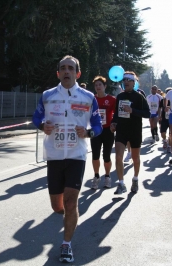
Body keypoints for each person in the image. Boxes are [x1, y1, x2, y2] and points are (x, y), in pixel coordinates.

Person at [32, 55, 102, 263]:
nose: (66, 71)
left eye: (70, 68)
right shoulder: (47, 95)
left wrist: (88, 133)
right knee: (57, 206)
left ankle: (66, 244)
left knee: (71, 202)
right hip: (54, 155)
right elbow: (36, 117)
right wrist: (42, 125)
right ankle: (65, 214)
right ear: (58, 73)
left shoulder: (88, 97)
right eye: (62, 68)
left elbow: (98, 125)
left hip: (76, 155)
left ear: (77, 73)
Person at [110, 71, 150, 194]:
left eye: (128, 80)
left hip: (135, 130)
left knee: (135, 157)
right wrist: (113, 122)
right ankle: (121, 184)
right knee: (118, 156)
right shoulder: (120, 97)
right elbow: (116, 113)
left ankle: (135, 179)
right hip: (121, 130)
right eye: (124, 80)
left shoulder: (139, 97)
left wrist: (132, 110)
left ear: (134, 83)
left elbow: (147, 113)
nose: (126, 82)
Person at [89, 76, 116, 190]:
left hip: (107, 130)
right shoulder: (91, 99)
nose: (98, 87)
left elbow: (117, 115)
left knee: (106, 155)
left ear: (105, 86)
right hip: (95, 130)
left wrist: (114, 124)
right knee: (95, 155)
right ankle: (96, 177)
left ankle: (107, 176)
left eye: (100, 85)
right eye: (96, 85)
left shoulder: (111, 99)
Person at [159, 87, 172, 153]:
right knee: (162, 133)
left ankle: (169, 147)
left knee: (171, 134)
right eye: (167, 92)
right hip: (164, 118)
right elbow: (160, 108)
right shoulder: (163, 100)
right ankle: (165, 141)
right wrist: (159, 116)